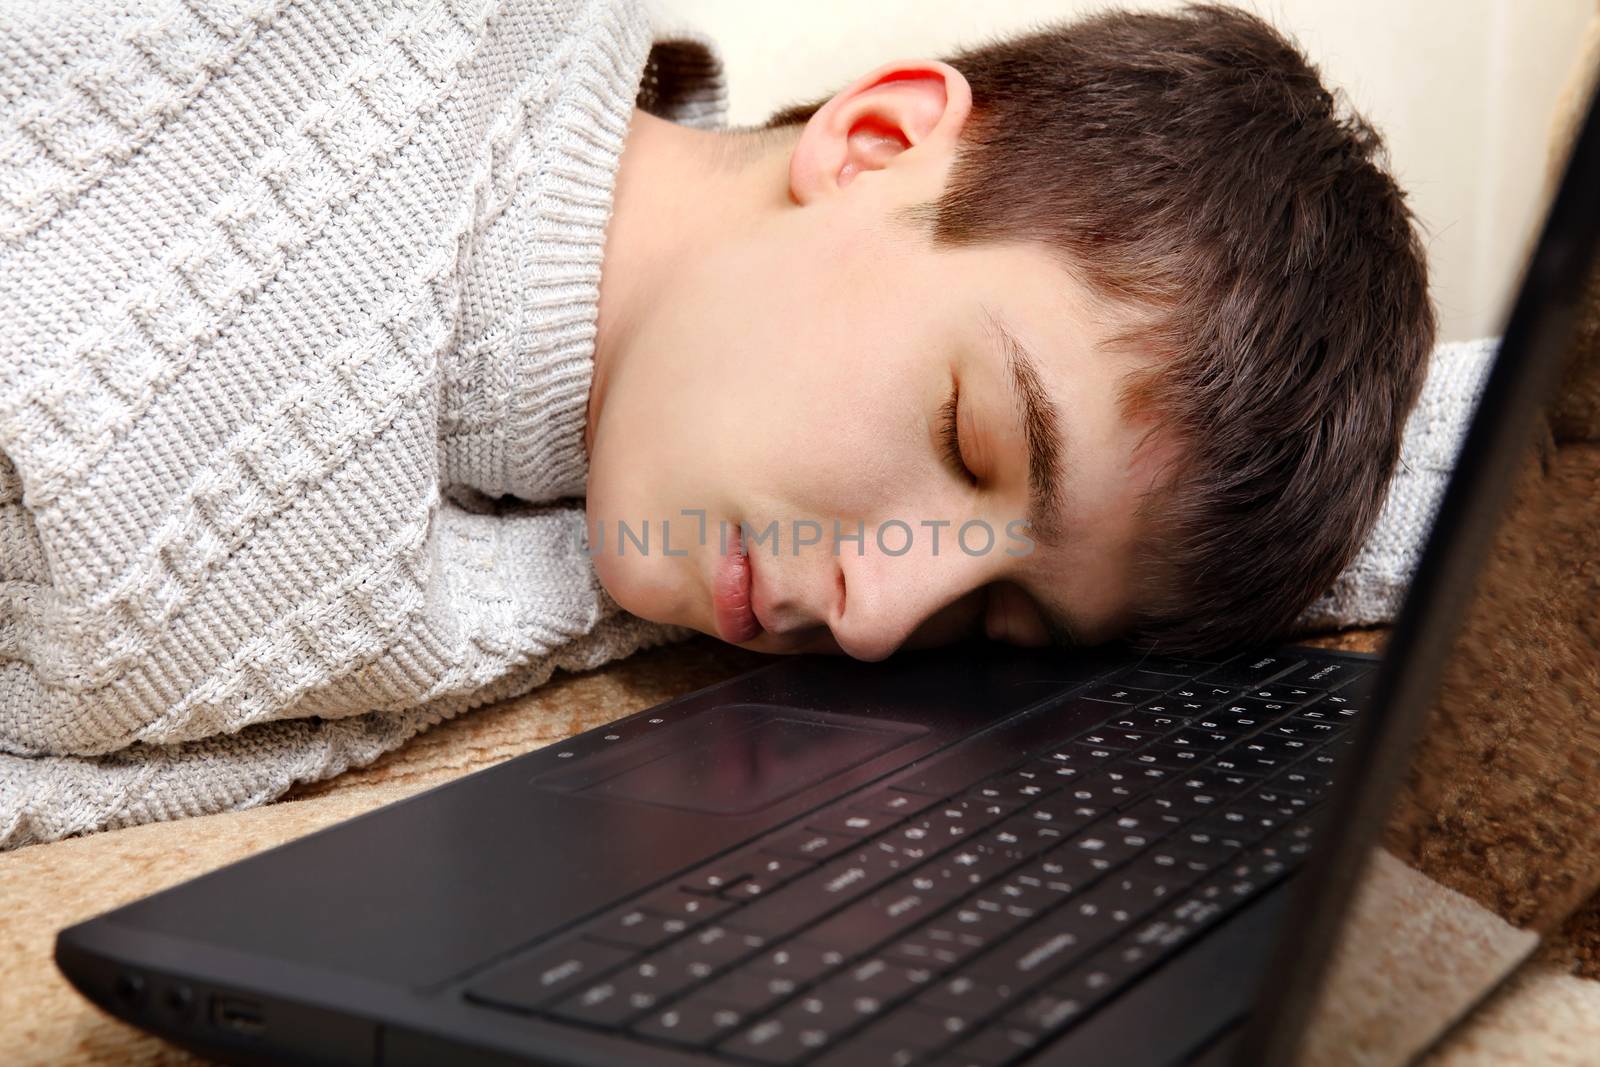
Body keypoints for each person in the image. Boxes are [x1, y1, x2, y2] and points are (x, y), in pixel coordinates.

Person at [0, 0, 1435, 847]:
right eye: (969, 440)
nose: (880, 621)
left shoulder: (648, 493)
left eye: (999, 622)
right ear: (875, 142)